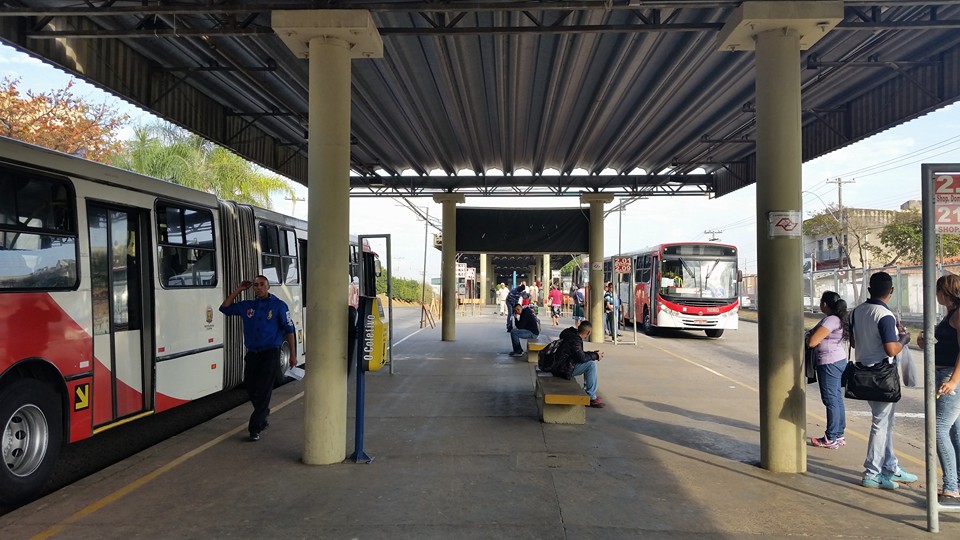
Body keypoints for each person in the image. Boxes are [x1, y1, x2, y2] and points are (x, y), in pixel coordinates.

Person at [849, 271, 917, 489]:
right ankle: (872, 472)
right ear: (892, 291)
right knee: (881, 424)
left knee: (886, 422)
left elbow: (853, 342)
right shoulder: (884, 315)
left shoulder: (856, 312)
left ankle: (890, 466)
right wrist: (904, 339)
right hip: (882, 375)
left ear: (869, 289)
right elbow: (891, 348)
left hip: (862, 374)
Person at [220, 276, 297, 442]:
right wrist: (239, 290)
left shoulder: (279, 306)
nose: (259, 287)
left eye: (262, 284)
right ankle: (263, 413)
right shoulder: (248, 306)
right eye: (256, 285)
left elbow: (289, 330)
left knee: (264, 389)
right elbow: (225, 308)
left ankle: (255, 428)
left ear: (268, 286)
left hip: (270, 353)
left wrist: (293, 354)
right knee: (250, 385)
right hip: (253, 353)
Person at [920, 274, 960, 501]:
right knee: (954, 431)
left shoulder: (959, 313)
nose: (935, 296)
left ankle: (951, 485)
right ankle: (956, 482)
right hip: (945, 374)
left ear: (945, 292)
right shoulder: (951, 314)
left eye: (937, 291)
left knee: (938, 429)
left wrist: (953, 380)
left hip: (950, 377)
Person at [806, 291, 849, 450]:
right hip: (838, 360)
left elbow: (812, 341)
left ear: (824, 304)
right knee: (836, 398)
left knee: (830, 400)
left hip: (829, 362)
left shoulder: (831, 320)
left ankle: (830, 438)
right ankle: (839, 434)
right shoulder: (839, 318)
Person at [550, 320, 605, 408]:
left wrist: (593, 354)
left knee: (590, 362)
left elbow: (579, 354)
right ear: (589, 332)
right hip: (563, 369)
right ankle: (591, 397)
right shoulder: (575, 340)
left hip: (558, 366)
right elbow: (581, 358)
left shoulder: (570, 335)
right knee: (591, 365)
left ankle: (589, 392)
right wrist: (595, 356)